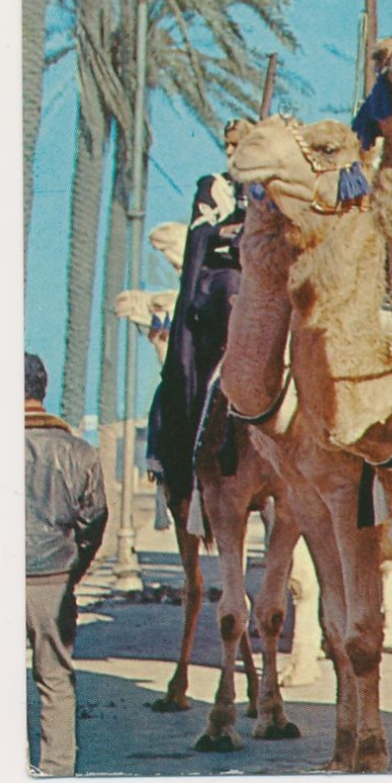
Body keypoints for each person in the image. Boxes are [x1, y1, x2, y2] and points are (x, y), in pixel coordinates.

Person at [147, 119, 250, 506]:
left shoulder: (268, 190)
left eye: (239, 144)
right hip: (219, 289)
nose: (231, 153)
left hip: (265, 280)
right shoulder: (215, 188)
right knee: (230, 291)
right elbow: (203, 240)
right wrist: (234, 232)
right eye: (227, 145)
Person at [25, 352, 108, 776]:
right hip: (54, 582)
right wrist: (75, 566)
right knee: (55, 680)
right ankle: (57, 773)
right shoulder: (78, 451)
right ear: (43, 389)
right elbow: (95, 518)